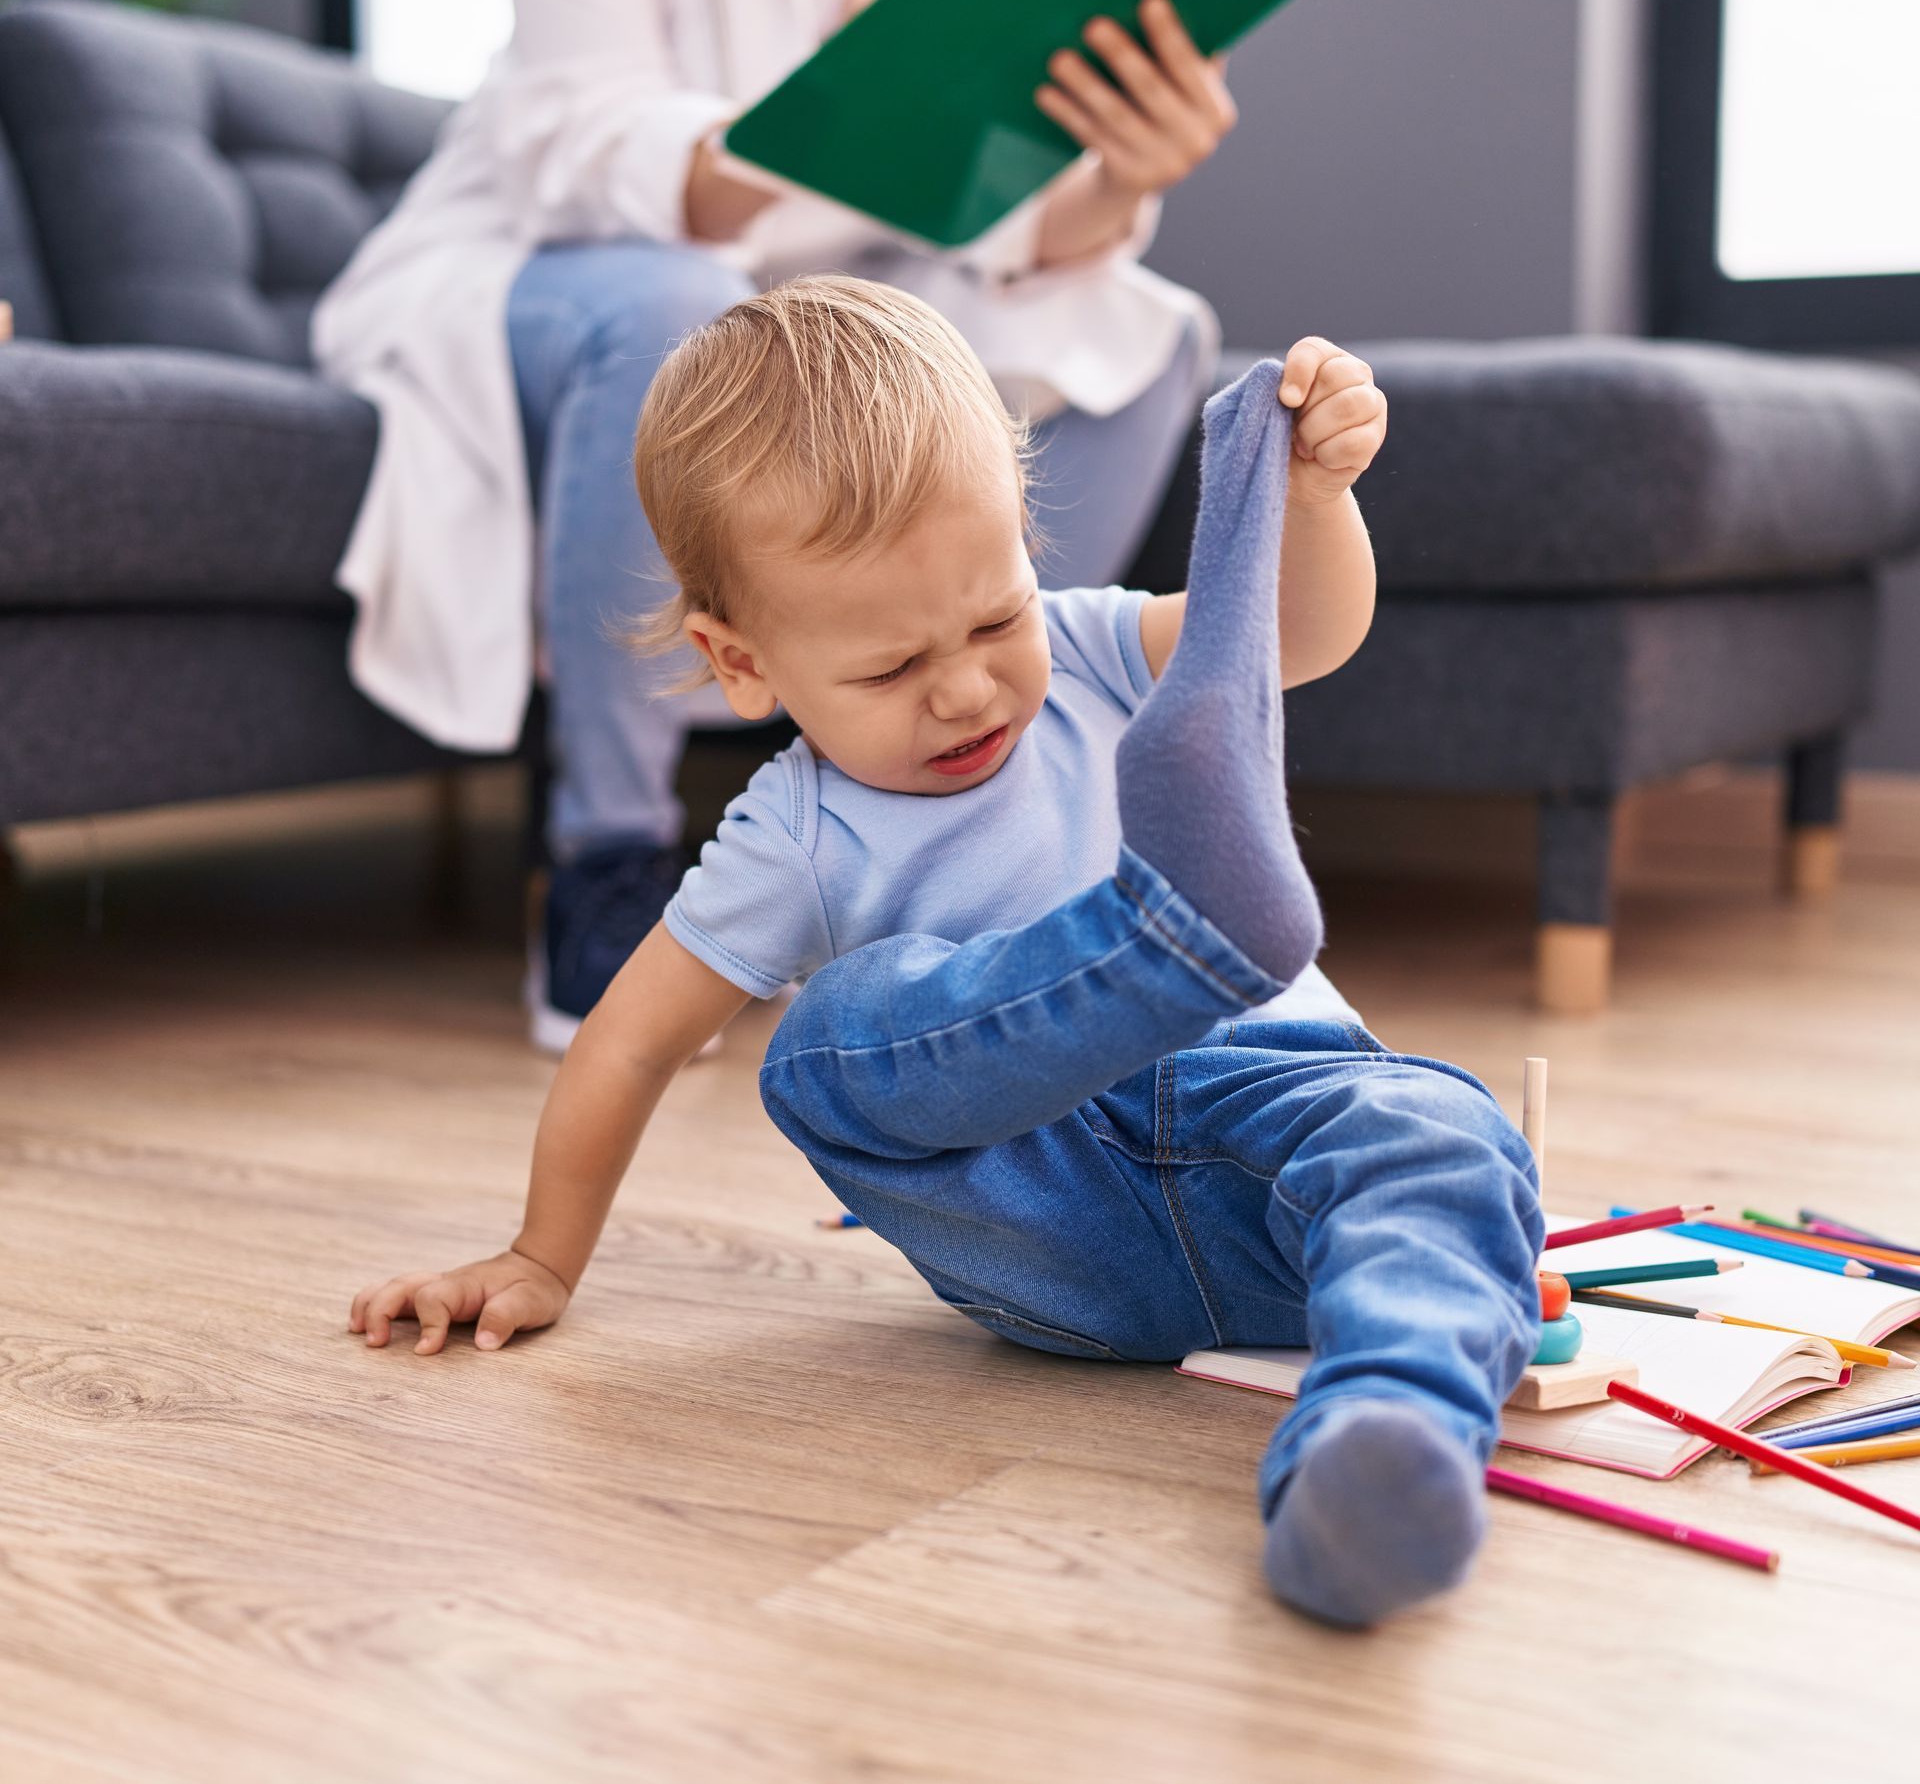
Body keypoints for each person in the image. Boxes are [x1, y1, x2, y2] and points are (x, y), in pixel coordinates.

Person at [348, 280, 1544, 1629]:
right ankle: (1178, 942)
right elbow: (629, 1041)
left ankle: (1379, 1453)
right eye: (887, 667)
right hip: (1046, 1223)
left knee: (1439, 1138)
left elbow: (1296, 638)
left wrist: (1317, 498)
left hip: (1272, 1132)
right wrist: (540, 1258)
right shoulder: (790, 837)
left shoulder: (1091, 648)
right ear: (741, 664)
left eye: (993, 621)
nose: (968, 687)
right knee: (829, 1041)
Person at [313, 0, 1240, 1049]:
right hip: (566, 256)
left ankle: (982, 834)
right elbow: (584, 138)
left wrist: (1126, 171)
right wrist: (848, 88)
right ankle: (607, 855)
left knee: (1136, 329)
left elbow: (1005, 200)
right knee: (684, 316)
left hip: (862, 270)